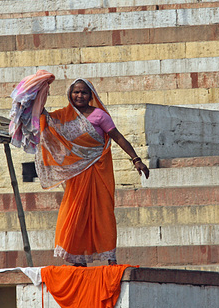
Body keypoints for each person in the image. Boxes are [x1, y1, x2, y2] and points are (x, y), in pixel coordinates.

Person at [36, 79, 149, 266]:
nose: (79, 96)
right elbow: (44, 119)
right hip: (76, 174)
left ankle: (110, 258)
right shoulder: (63, 116)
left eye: (84, 93)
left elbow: (118, 137)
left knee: (102, 212)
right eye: (76, 92)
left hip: (99, 169)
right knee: (76, 213)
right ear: (69, 94)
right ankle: (77, 258)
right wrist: (38, 90)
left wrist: (136, 160)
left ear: (91, 96)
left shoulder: (99, 115)